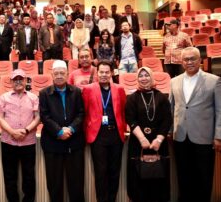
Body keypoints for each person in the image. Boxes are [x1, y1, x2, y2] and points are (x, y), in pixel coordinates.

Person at [170, 47, 221, 202]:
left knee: (204, 178)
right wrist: (169, 131)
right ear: (181, 62)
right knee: (184, 177)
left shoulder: (214, 80)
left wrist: (218, 135)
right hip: (180, 137)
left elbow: (220, 110)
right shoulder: (174, 81)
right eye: (186, 59)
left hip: (204, 137)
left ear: (200, 60)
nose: (189, 62)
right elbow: (172, 108)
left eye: (193, 59)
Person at [39, 60, 85, 202]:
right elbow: (44, 116)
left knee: (76, 185)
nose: (59, 76)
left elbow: (81, 113)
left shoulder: (76, 91)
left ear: (67, 74)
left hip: (74, 143)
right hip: (53, 144)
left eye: (62, 73)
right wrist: (59, 131)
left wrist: (70, 129)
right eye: (56, 73)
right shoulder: (44, 93)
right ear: (52, 74)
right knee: (55, 185)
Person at [125, 67, 172, 202]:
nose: (144, 78)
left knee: (158, 180)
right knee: (138, 179)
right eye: (141, 76)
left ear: (151, 77)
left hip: (158, 144)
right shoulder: (132, 98)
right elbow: (130, 119)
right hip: (138, 144)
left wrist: (159, 139)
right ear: (137, 78)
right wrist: (142, 139)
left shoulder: (161, 97)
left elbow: (167, 119)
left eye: (146, 75)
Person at [82, 60, 127, 202]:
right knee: (100, 173)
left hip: (115, 135)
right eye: (101, 72)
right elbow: (84, 113)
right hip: (98, 136)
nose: (104, 75)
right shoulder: (88, 89)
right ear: (97, 73)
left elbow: (123, 111)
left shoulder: (119, 89)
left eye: (107, 72)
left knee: (114, 172)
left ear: (112, 73)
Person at [0, 69, 40, 202]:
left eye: (21, 79)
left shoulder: (33, 97)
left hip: (28, 142)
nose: (18, 81)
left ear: (26, 80)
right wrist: (12, 132)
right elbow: (0, 118)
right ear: (10, 82)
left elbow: (37, 117)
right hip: (8, 142)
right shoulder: (4, 97)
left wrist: (26, 130)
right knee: (10, 177)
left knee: (29, 176)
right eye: (15, 79)